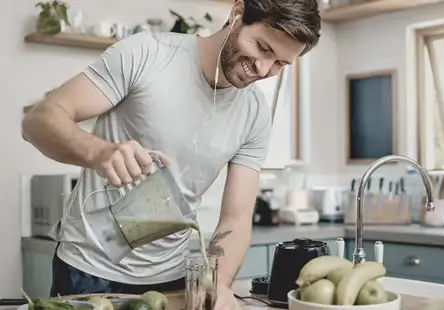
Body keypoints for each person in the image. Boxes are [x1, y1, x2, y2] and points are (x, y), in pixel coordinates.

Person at [20, 0, 321, 308]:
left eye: (280, 64)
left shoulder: (255, 113)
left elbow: (236, 218)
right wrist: (97, 151)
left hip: (172, 279)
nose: (262, 69)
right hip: (87, 271)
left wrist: (218, 285)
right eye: (262, 47)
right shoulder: (147, 53)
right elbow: (37, 122)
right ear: (237, 15)